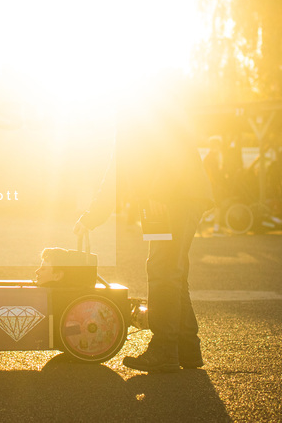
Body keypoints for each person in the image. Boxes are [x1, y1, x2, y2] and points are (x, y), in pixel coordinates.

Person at [74, 92, 214, 373]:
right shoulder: (127, 117)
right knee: (172, 271)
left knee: (163, 269)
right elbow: (114, 173)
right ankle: (187, 347)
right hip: (166, 200)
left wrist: (159, 192)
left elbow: (175, 146)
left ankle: (164, 349)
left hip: (173, 198)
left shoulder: (147, 104)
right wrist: (90, 218)